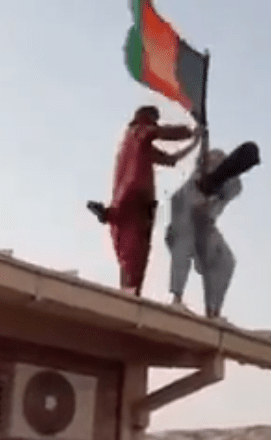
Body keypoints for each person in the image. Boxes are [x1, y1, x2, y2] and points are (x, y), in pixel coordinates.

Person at [87, 105, 200, 296]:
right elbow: (163, 133)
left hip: (122, 203)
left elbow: (170, 160)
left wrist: (194, 142)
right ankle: (131, 293)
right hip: (138, 197)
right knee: (137, 250)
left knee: (129, 251)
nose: (155, 122)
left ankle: (128, 291)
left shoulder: (133, 143)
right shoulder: (139, 131)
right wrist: (191, 132)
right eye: (153, 117)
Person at [165, 142, 260, 319]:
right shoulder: (216, 156)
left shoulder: (235, 186)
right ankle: (176, 299)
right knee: (184, 240)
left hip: (204, 224)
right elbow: (201, 165)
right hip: (182, 213)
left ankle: (213, 312)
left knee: (226, 261)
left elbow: (210, 210)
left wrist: (212, 197)